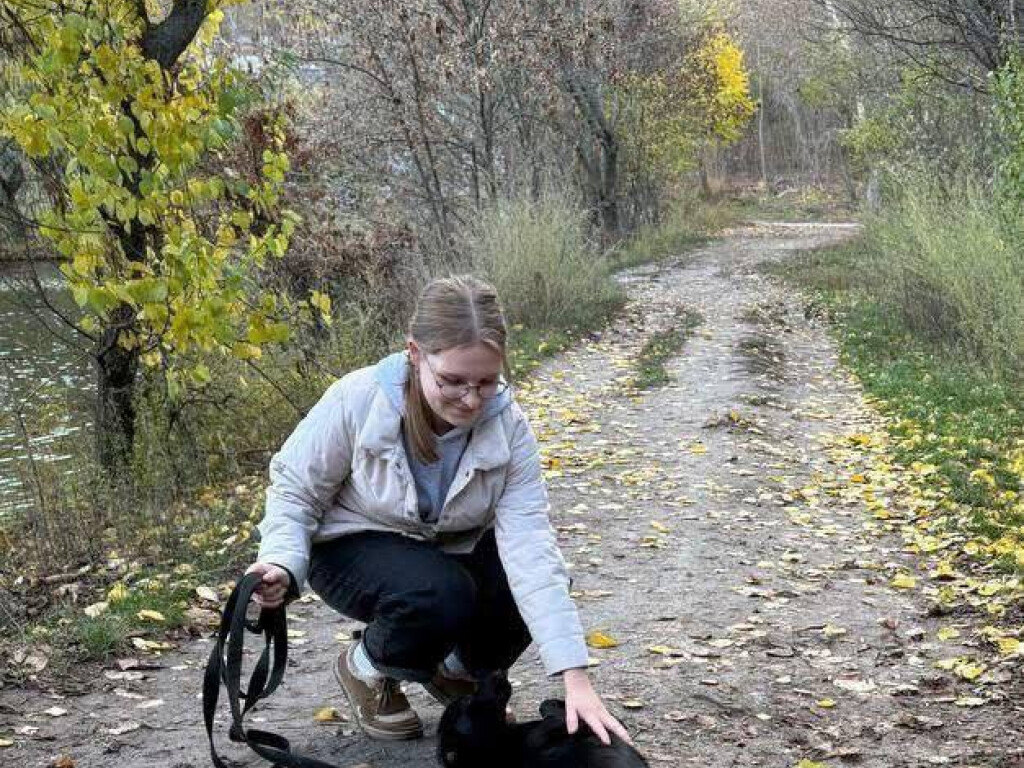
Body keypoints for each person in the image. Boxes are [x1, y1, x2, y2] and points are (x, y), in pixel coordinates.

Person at [246, 274, 629, 745]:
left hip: (445, 551)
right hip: (350, 548)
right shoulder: (356, 399)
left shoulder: (509, 429)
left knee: (529, 582)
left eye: (486, 382)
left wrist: (575, 677)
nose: (471, 400)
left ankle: (453, 670)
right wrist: (282, 563)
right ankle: (366, 667)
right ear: (414, 353)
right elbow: (295, 492)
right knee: (439, 591)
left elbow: (531, 546)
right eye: (452, 381)